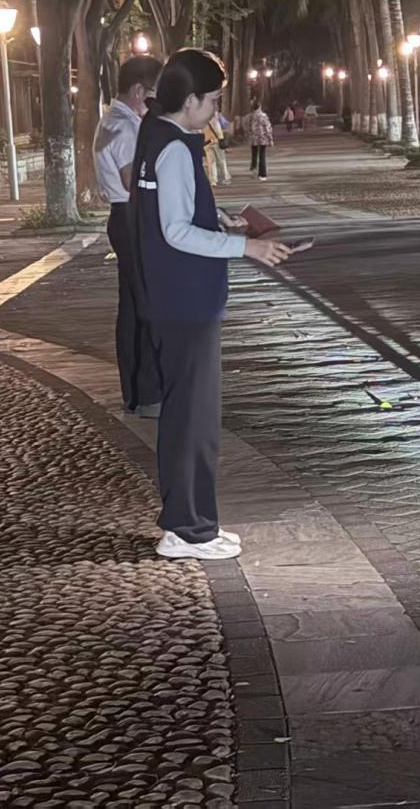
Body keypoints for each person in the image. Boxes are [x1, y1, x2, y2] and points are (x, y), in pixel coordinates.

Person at [129, 48, 292, 560]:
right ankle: (189, 530)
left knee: (185, 416)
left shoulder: (155, 133)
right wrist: (247, 247)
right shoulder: (176, 148)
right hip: (187, 300)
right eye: (214, 100)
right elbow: (175, 231)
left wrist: (217, 219)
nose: (217, 111)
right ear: (191, 99)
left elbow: (169, 213)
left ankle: (190, 523)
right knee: (194, 421)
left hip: (169, 297)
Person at [94, 54, 164, 418]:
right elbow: (131, 179)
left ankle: (137, 390)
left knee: (134, 305)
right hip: (132, 215)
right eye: (154, 93)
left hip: (124, 216)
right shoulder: (124, 127)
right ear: (139, 90)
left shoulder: (112, 120)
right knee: (146, 304)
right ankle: (148, 392)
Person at [246, 99, 273, 181]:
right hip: (262, 138)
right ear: (259, 107)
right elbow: (267, 128)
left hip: (253, 139)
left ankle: (254, 171)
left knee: (254, 155)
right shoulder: (263, 116)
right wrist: (270, 139)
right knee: (262, 156)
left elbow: (248, 128)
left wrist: (248, 136)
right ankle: (262, 174)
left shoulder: (250, 116)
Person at [203, 112, 230, 186]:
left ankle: (213, 180)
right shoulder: (216, 119)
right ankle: (225, 178)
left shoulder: (202, 121)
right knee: (221, 160)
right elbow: (224, 126)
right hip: (216, 142)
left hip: (207, 143)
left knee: (211, 163)